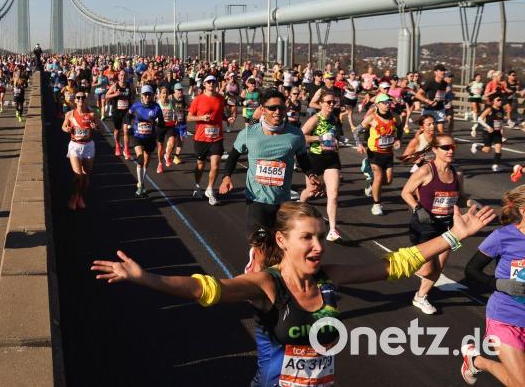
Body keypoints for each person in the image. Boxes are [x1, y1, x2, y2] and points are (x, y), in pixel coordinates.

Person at [92, 201, 495, 387]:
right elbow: (208, 289)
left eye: (321, 237)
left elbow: (395, 264)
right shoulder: (267, 284)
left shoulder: (328, 278)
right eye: (308, 238)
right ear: (283, 241)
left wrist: (454, 237)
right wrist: (148, 278)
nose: (318, 246)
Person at [218, 90, 320, 273]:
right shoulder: (249, 133)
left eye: (281, 107)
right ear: (262, 109)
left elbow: (303, 158)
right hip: (257, 200)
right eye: (272, 108)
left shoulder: (295, 135)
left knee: (280, 248)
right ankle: (256, 279)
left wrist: (311, 175)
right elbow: (233, 156)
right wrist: (226, 177)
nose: (277, 112)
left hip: (282, 201)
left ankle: (269, 274)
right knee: (262, 248)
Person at [400, 134, 471, 315]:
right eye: (445, 147)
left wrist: (473, 205)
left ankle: (421, 296)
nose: (450, 151)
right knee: (428, 268)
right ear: (434, 149)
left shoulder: (457, 173)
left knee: (439, 266)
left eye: (453, 147)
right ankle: (408, 263)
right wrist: (418, 208)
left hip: (447, 226)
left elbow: (461, 198)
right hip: (425, 225)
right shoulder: (425, 171)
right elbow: (406, 192)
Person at [462, 184, 525, 386]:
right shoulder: (503, 237)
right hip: (506, 317)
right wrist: (499, 284)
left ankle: (475, 360)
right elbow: (471, 271)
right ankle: (479, 361)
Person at [300, 93, 344, 242]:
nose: (331, 104)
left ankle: (332, 230)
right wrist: (319, 138)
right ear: (321, 103)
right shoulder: (315, 119)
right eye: (328, 102)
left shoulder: (334, 119)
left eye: (334, 102)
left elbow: (335, 136)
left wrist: (337, 141)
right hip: (315, 158)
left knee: (333, 194)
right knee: (311, 191)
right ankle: (300, 206)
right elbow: (301, 136)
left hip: (331, 159)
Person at [356, 93, 401, 216]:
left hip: (388, 153)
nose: (388, 105)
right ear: (378, 104)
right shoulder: (372, 118)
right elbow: (356, 130)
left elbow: (398, 129)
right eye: (385, 103)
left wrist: (397, 139)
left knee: (388, 181)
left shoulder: (394, 117)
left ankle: (371, 182)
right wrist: (359, 144)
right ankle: (376, 204)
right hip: (374, 153)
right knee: (379, 177)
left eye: (389, 102)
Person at [188, 75, 229, 204]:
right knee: (200, 165)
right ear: (204, 84)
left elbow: (222, 114)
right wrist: (200, 118)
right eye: (209, 82)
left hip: (217, 137)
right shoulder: (198, 99)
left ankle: (210, 189)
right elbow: (189, 117)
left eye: (213, 82)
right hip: (201, 137)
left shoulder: (221, 98)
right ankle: (197, 186)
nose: (211, 83)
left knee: (215, 165)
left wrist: (227, 119)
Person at [62, 90, 99, 210]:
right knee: (78, 175)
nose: (80, 100)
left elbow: (101, 129)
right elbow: (63, 126)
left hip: (88, 146)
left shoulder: (92, 114)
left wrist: (96, 127)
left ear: (86, 100)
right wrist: (66, 129)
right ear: (75, 100)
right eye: (78, 98)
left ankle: (80, 196)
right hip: (75, 146)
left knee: (86, 176)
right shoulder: (70, 114)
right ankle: (73, 197)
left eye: (83, 98)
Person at [128, 85, 165, 198]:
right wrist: (129, 126)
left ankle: (142, 182)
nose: (147, 96)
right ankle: (140, 186)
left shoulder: (156, 107)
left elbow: (162, 122)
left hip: (150, 137)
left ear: (153, 95)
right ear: (142, 95)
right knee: (140, 159)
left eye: (149, 94)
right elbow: (127, 116)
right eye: (145, 94)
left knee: (146, 162)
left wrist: (159, 125)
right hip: (137, 136)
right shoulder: (136, 106)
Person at [471, 94, 508, 172]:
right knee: (487, 150)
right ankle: (476, 146)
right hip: (488, 132)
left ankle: (495, 165)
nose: (500, 101)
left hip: (497, 132)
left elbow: (500, 121)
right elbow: (480, 119)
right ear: (493, 102)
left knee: (498, 148)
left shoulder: (501, 109)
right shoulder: (490, 109)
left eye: (501, 100)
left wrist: (501, 131)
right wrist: (488, 127)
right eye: (498, 100)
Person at [414, 64, 451, 134]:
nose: (443, 72)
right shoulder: (430, 82)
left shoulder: (445, 83)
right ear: (435, 72)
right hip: (429, 109)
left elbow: (442, 95)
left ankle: (437, 145)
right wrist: (428, 101)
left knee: (441, 132)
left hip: (440, 109)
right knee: (423, 131)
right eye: (441, 71)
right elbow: (418, 94)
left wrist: (446, 102)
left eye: (444, 71)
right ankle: (418, 143)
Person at [105, 72, 133, 158]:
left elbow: (133, 96)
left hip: (126, 112)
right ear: (118, 77)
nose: (123, 77)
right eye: (121, 75)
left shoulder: (130, 85)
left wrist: (132, 107)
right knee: (117, 130)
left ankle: (126, 149)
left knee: (126, 131)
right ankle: (117, 145)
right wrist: (115, 94)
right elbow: (106, 96)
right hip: (116, 111)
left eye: (124, 75)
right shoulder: (115, 86)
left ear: (126, 76)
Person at [166, 83, 188, 166]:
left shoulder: (185, 98)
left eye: (181, 90)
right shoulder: (171, 99)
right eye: (178, 90)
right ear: (174, 91)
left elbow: (190, 108)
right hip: (173, 124)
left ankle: (176, 157)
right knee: (172, 142)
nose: (180, 91)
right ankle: (167, 155)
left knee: (181, 140)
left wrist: (186, 110)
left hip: (182, 123)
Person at [469, 72, 485, 137]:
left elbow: (484, 90)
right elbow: (467, 88)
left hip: (479, 97)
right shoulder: (472, 83)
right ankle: (475, 121)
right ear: (475, 78)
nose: (479, 78)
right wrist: (471, 93)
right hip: (473, 97)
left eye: (480, 77)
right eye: (477, 77)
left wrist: (482, 93)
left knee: (479, 110)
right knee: (475, 109)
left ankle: (470, 114)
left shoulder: (482, 84)